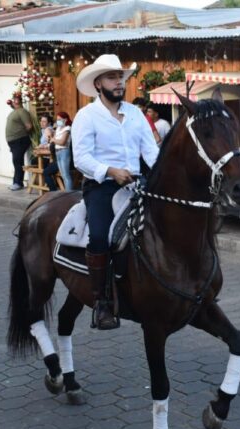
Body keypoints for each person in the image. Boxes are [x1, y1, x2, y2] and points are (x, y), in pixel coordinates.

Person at [72, 54, 159, 330]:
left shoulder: (135, 114)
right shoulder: (86, 116)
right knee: (100, 236)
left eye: (120, 77)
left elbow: (151, 152)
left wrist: (162, 174)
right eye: (112, 77)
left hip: (136, 184)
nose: (119, 82)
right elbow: (81, 158)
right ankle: (101, 302)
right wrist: (111, 171)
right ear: (98, 84)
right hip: (102, 187)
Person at [5, 93, 33, 191]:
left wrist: (21, 134)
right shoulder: (15, 111)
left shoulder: (22, 111)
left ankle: (18, 183)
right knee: (17, 161)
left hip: (20, 140)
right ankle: (16, 182)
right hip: (14, 142)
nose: (12, 101)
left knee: (17, 161)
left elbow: (29, 126)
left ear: (17, 101)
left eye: (14, 99)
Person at [52, 112, 73, 191]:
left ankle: (68, 194)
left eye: (60, 119)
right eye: (57, 119)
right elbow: (52, 139)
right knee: (63, 175)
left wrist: (54, 140)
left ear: (65, 119)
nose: (58, 121)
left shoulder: (67, 128)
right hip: (57, 152)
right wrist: (54, 132)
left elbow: (62, 142)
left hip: (64, 152)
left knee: (66, 175)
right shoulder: (58, 129)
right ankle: (67, 192)